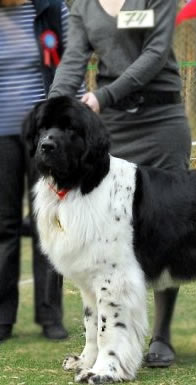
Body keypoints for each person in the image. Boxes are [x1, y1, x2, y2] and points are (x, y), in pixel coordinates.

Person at [48, 0, 191, 367]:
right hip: (113, 124)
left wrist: (103, 96)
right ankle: (102, 339)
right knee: (103, 237)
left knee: (164, 226)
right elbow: (74, 57)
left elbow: (156, 53)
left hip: (161, 118)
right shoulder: (81, 5)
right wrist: (54, 106)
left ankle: (162, 335)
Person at [0, 0, 76, 341]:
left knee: (51, 223)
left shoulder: (51, 9)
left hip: (46, 137)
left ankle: (50, 315)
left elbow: (72, 62)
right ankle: (2, 317)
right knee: (4, 225)